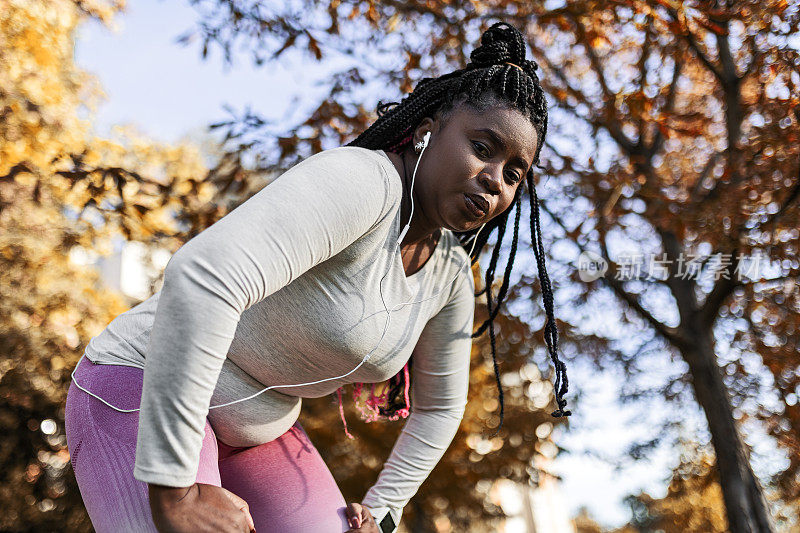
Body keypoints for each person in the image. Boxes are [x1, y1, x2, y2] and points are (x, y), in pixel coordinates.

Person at [64, 21, 570, 533]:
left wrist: (385, 510)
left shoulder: (450, 275)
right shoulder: (364, 183)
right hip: (141, 380)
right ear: (426, 131)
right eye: (483, 148)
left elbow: (441, 407)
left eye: (513, 174)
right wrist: (174, 490)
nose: (494, 180)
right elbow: (203, 277)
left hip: (260, 427)